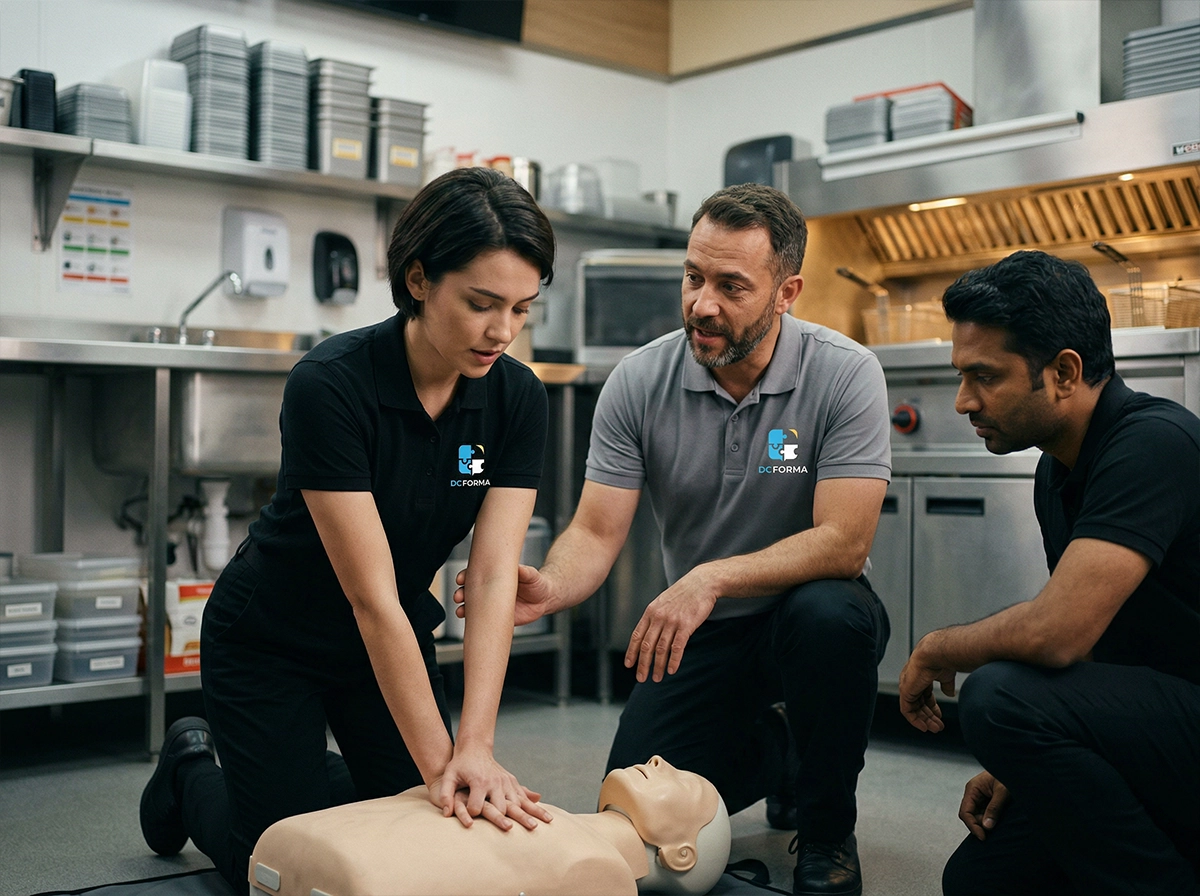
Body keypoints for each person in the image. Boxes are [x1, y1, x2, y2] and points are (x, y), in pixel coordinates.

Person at [456, 183, 891, 896]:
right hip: (701, 632)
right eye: (693, 277)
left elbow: (843, 542)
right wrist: (550, 587)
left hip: (804, 616)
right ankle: (785, 751)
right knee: (637, 810)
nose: (702, 304)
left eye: (731, 286)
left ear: (786, 293)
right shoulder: (639, 380)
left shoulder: (845, 373)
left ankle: (826, 828)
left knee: (830, 616)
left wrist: (709, 576)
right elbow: (596, 530)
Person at [139, 167, 559, 896]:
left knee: (421, 836)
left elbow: (492, 575)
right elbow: (371, 599)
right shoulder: (330, 385)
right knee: (279, 865)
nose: (502, 331)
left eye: (522, 308)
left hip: (389, 641)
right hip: (274, 639)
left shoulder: (516, 396)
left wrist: (476, 748)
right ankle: (189, 767)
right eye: (481, 303)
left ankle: (304, 774)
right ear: (419, 279)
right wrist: (445, 771)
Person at [896, 250, 1200, 896]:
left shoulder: (1153, 443)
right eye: (961, 376)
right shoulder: (1055, 469)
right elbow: (1089, 640)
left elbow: (1056, 634)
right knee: (977, 883)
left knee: (995, 695)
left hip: (1187, 725)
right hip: (1150, 727)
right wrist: (1032, 758)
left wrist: (935, 648)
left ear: (1064, 372)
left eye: (985, 376)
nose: (963, 401)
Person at [246, 755, 731, 896]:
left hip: (338, 866)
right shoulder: (560, 826)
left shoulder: (599, 871)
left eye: (684, 782)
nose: (659, 760)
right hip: (340, 855)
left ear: (681, 854)